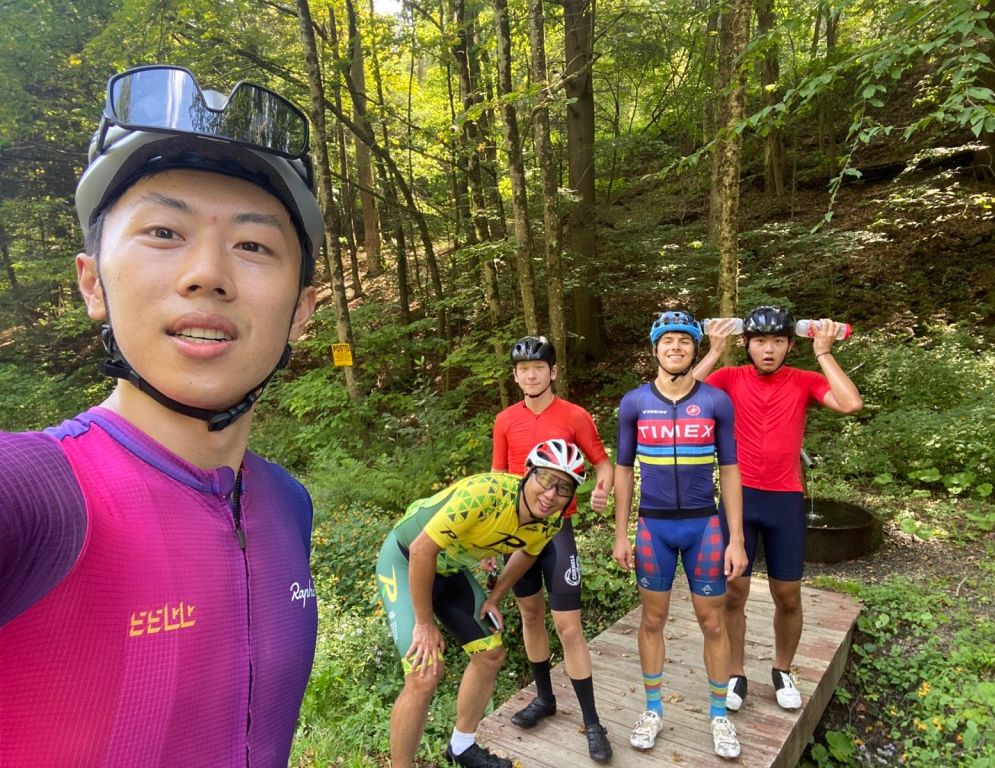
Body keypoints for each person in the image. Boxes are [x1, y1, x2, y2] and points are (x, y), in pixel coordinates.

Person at [0, 65, 323, 766]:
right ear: (93, 282)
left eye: (253, 245)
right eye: (163, 231)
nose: (207, 273)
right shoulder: (32, 492)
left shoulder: (288, 502)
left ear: (302, 311)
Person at [376, 439, 588, 768]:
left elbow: (527, 552)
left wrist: (495, 596)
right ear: (527, 473)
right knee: (424, 673)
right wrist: (424, 624)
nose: (550, 495)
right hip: (406, 561)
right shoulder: (484, 495)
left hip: (450, 570)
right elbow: (421, 550)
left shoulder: (550, 522)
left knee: (490, 655)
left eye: (563, 488)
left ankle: (461, 747)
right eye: (546, 479)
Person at [694, 307, 863, 713]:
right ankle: (735, 673)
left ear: (790, 345)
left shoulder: (804, 380)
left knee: (787, 595)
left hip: (785, 498)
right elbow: (680, 395)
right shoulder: (729, 378)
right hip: (739, 497)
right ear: (746, 344)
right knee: (734, 591)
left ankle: (783, 670)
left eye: (777, 341)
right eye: (759, 341)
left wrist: (824, 352)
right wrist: (714, 351)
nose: (768, 350)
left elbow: (850, 403)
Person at [613, 310, 747, 759]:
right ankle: (653, 709)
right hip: (653, 527)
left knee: (712, 622)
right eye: (667, 341)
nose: (676, 347)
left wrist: (736, 538)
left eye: (685, 341)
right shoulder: (634, 403)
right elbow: (623, 470)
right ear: (655, 349)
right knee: (652, 621)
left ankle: (719, 714)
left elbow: (730, 470)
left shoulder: (715, 402)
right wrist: (620, 533)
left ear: (695, 349)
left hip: (703, 526)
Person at [491, 336, 614, 763]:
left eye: (538, 368)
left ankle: (593, 722)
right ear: (515, 376)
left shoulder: (574, 415)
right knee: (530, 615)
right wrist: (490, 538)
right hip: (515, 532)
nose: (531, 375)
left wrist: (602, 489)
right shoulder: (505, 420)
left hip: (557, 531)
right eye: (523, 369)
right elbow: (497, 477)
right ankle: (544, 697)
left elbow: (602, 463)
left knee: (569, 627)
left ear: (553, 371)